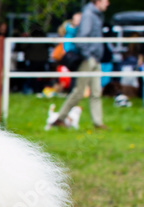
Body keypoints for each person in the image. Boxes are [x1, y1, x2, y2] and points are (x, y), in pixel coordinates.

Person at [52, 0, 109, 130]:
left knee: (95, 92)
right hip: (88, 59)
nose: (108, 4)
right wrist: (88, 56)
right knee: (79, 91)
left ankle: (98, 123)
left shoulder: (95, 14)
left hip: (95, 58)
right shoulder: (89, 15)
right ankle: (60, 118)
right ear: (98, 1)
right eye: (106, 1)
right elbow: (82, 38)